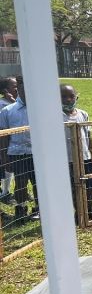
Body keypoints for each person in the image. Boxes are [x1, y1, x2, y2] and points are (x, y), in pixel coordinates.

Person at [60, 84, 92, 222]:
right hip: (67, 159)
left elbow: (89, 136)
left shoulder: (82, 114)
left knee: (90, 184)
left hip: (85, 157)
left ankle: (90, 210)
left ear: (76, 96)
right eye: (64, 97)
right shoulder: (56, 116)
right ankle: (78, 213)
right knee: (73, 186)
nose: (68, 99)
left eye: (71, 96)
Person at [0, 76, 38, 221]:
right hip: (17, 153)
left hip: (37, 153)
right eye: (22, 88)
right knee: (20, 182)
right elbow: (4, 137)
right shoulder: (7, 111)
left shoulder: (39, 109)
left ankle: (38, 208)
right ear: (18, 90)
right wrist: (4, 158)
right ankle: (21, 208)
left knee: (38, 182)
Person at [0, 76, 17, 205]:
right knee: (5, 166)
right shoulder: (2, 105)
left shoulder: (15, 103)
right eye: (14, 86)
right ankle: (4, 193)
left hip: (14, 141)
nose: (17, 89)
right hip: (4, 141)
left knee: (10, 167)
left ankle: (6, 192)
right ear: (6, 90)